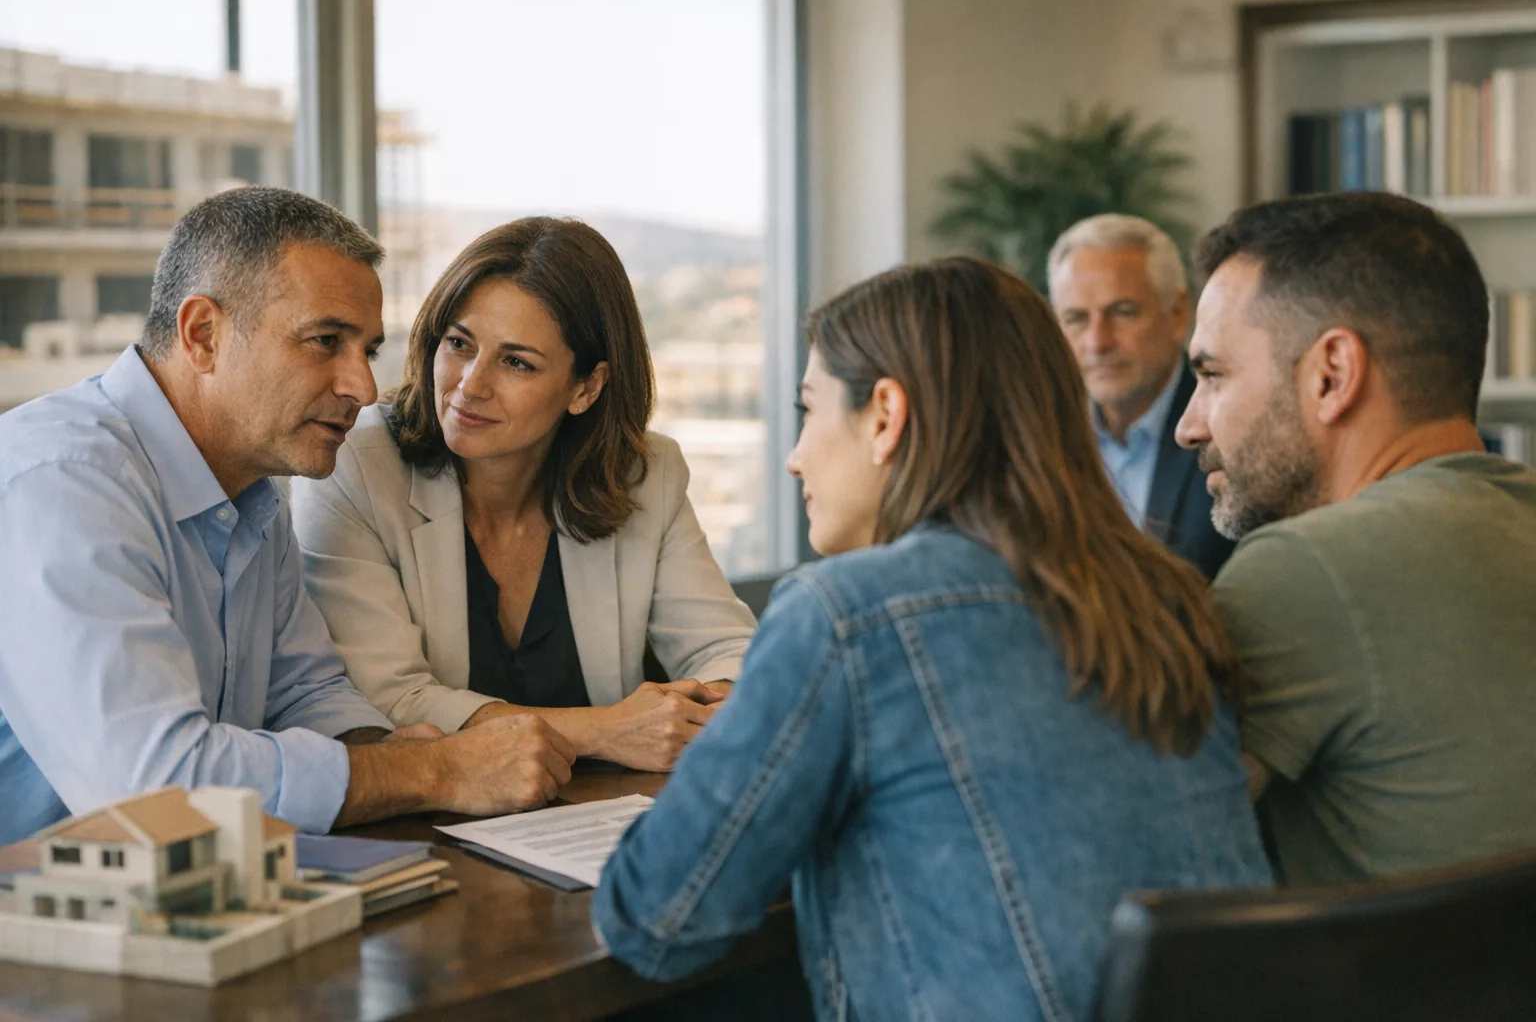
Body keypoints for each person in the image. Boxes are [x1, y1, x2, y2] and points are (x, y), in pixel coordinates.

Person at [591, 257, 1270, 1020]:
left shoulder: (847, 613)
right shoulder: (1163, 594)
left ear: (885, 415)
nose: (794, 456)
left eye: (809, 411)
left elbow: (655, 920)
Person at [0, 187, 576, 847]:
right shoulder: (63, 482)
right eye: (325, 341)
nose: (362, 388)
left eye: (367, 350)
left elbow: (306, 693)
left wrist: (383, 748)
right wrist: (430, 769)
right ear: (203, 335)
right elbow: (154, 788)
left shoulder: (252, 493)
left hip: (184, 912)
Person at [290, 217, 755, 773]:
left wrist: (714, 700)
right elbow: (387, 699)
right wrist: (608, 731)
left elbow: (727, 652)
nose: (469, 386)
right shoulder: (353, 467)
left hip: (597, 822)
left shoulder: (645, 475)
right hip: (429, 823)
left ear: (587, 387)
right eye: (459, 344)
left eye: (516, 362)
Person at [1175, 191, 1536, 884]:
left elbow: (1143, 850)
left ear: (1332, 375)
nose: (1189, 425)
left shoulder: (1304, 570)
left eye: (1213, 375)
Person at [1049, 214, 1234, 578]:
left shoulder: (1226, 426)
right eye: (1076, 318)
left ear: (1178, 314)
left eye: (1122, 312)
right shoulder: (1044, 435)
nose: (1097, 342)